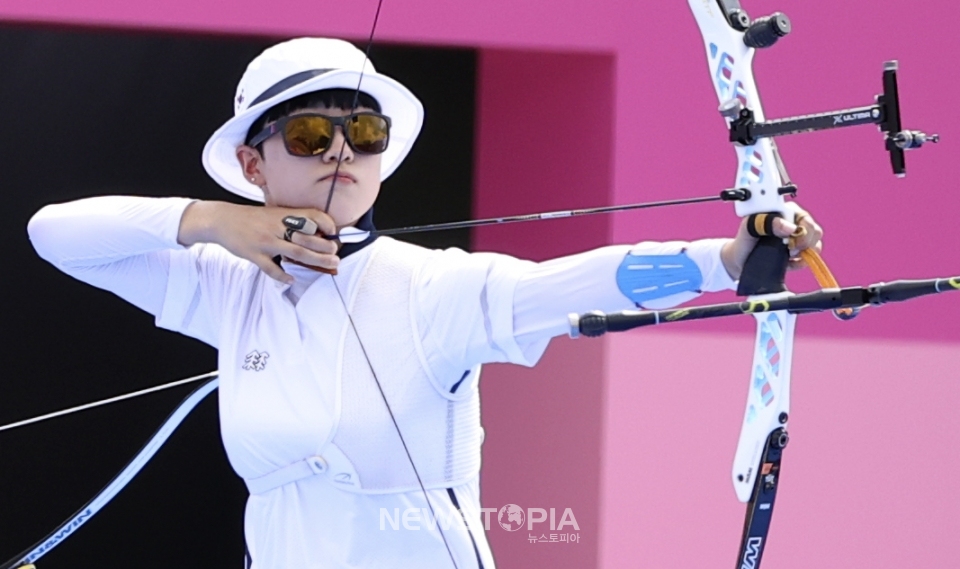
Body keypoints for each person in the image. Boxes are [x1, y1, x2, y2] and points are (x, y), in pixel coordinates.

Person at [27, 37, 823, 569]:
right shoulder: (225, 284)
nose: (341, 149)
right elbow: (53, 232)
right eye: (308, 133)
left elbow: (577, 283)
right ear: (253, 161)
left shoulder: (432, 286)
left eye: (362, 131)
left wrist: (723, 258)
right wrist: (211, 219)